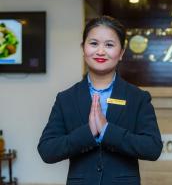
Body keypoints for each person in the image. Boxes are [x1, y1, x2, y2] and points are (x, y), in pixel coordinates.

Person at [37, 15, 163, 185]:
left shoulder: (138, 97)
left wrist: (107, 131)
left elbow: (153, 148)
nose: (101, 51)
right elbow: (47, 150)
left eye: (109, 45)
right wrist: (87, 132)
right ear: (83, 48)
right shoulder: (66, 98)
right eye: (93, 43)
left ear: (121, 53)